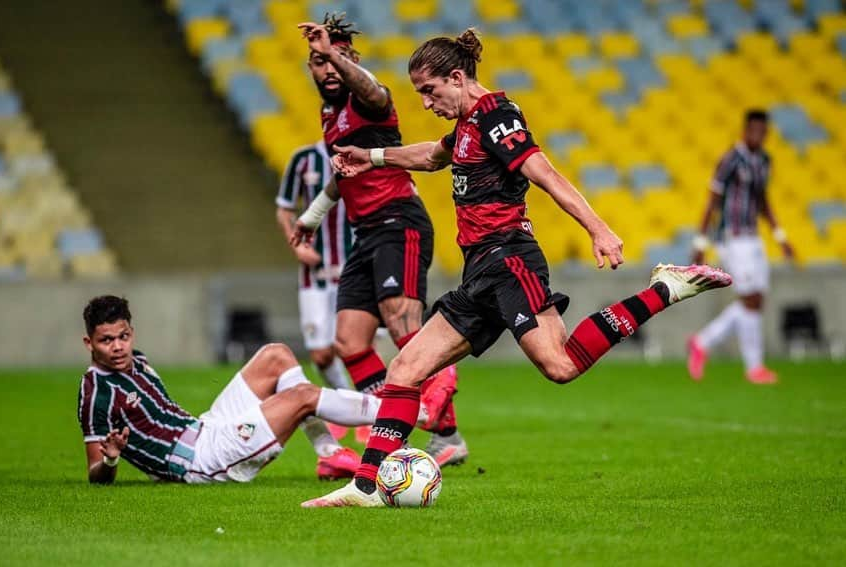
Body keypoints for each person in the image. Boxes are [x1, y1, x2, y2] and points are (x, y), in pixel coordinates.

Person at [296, 29, 732, 507]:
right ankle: (365, 487)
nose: (425, 102)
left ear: (457, 78)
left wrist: (598, 228)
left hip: (510, 260)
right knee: (405, 369)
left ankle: (665, 289)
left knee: (560, 365)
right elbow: (430, 156)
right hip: (478, 273)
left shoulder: (497, 116)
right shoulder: (464, 125)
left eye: (429, 90)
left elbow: (545, 173)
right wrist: (372, 156)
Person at [294, 13, 467, 466]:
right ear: (309, 70)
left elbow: (374, 89)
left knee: (403, 327)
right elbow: (342, 175)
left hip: (399, 223)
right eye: (318, 62)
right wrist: (312, 217)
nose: (328, 69)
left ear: (352, 63)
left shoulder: (369, 101)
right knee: (349, 342)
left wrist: (334, 52)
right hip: (364, 232)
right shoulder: (329, 115)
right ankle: (435, 432)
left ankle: (442, 375)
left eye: (336, 60)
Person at [77, 295, 443, 484]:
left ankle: (328, 451)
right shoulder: (96, 391)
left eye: (123, 336)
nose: (118, 346)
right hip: (197, 462)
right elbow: (97, 472)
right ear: (89, 343)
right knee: (300, 398)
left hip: (204, 428)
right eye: (106, 340)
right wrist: (111, 459)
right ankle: (407, 411)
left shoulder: (137, 360)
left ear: (132, 333)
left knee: (276, 355)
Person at [687, 110, 794, 384]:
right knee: (749, 300)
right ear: (745, 130)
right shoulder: (731, 159)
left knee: (756, 301)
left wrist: (780, 235)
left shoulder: (764, 160)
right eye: (754, 130)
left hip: (753, 236)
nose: (758, 135)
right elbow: (712, 199)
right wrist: (701, 241)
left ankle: (702, 342)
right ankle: (754, 367)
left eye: (763, 131)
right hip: (732, 237)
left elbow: (762, 199)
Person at [276, 140, 354, 438]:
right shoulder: (304, 158)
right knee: (321, 354)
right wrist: (297, 247)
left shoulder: (365, 152)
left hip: (355, 268)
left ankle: (368, 412)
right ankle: (350, 403)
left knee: (354, 342)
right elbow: (284, 210)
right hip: (315, 273)